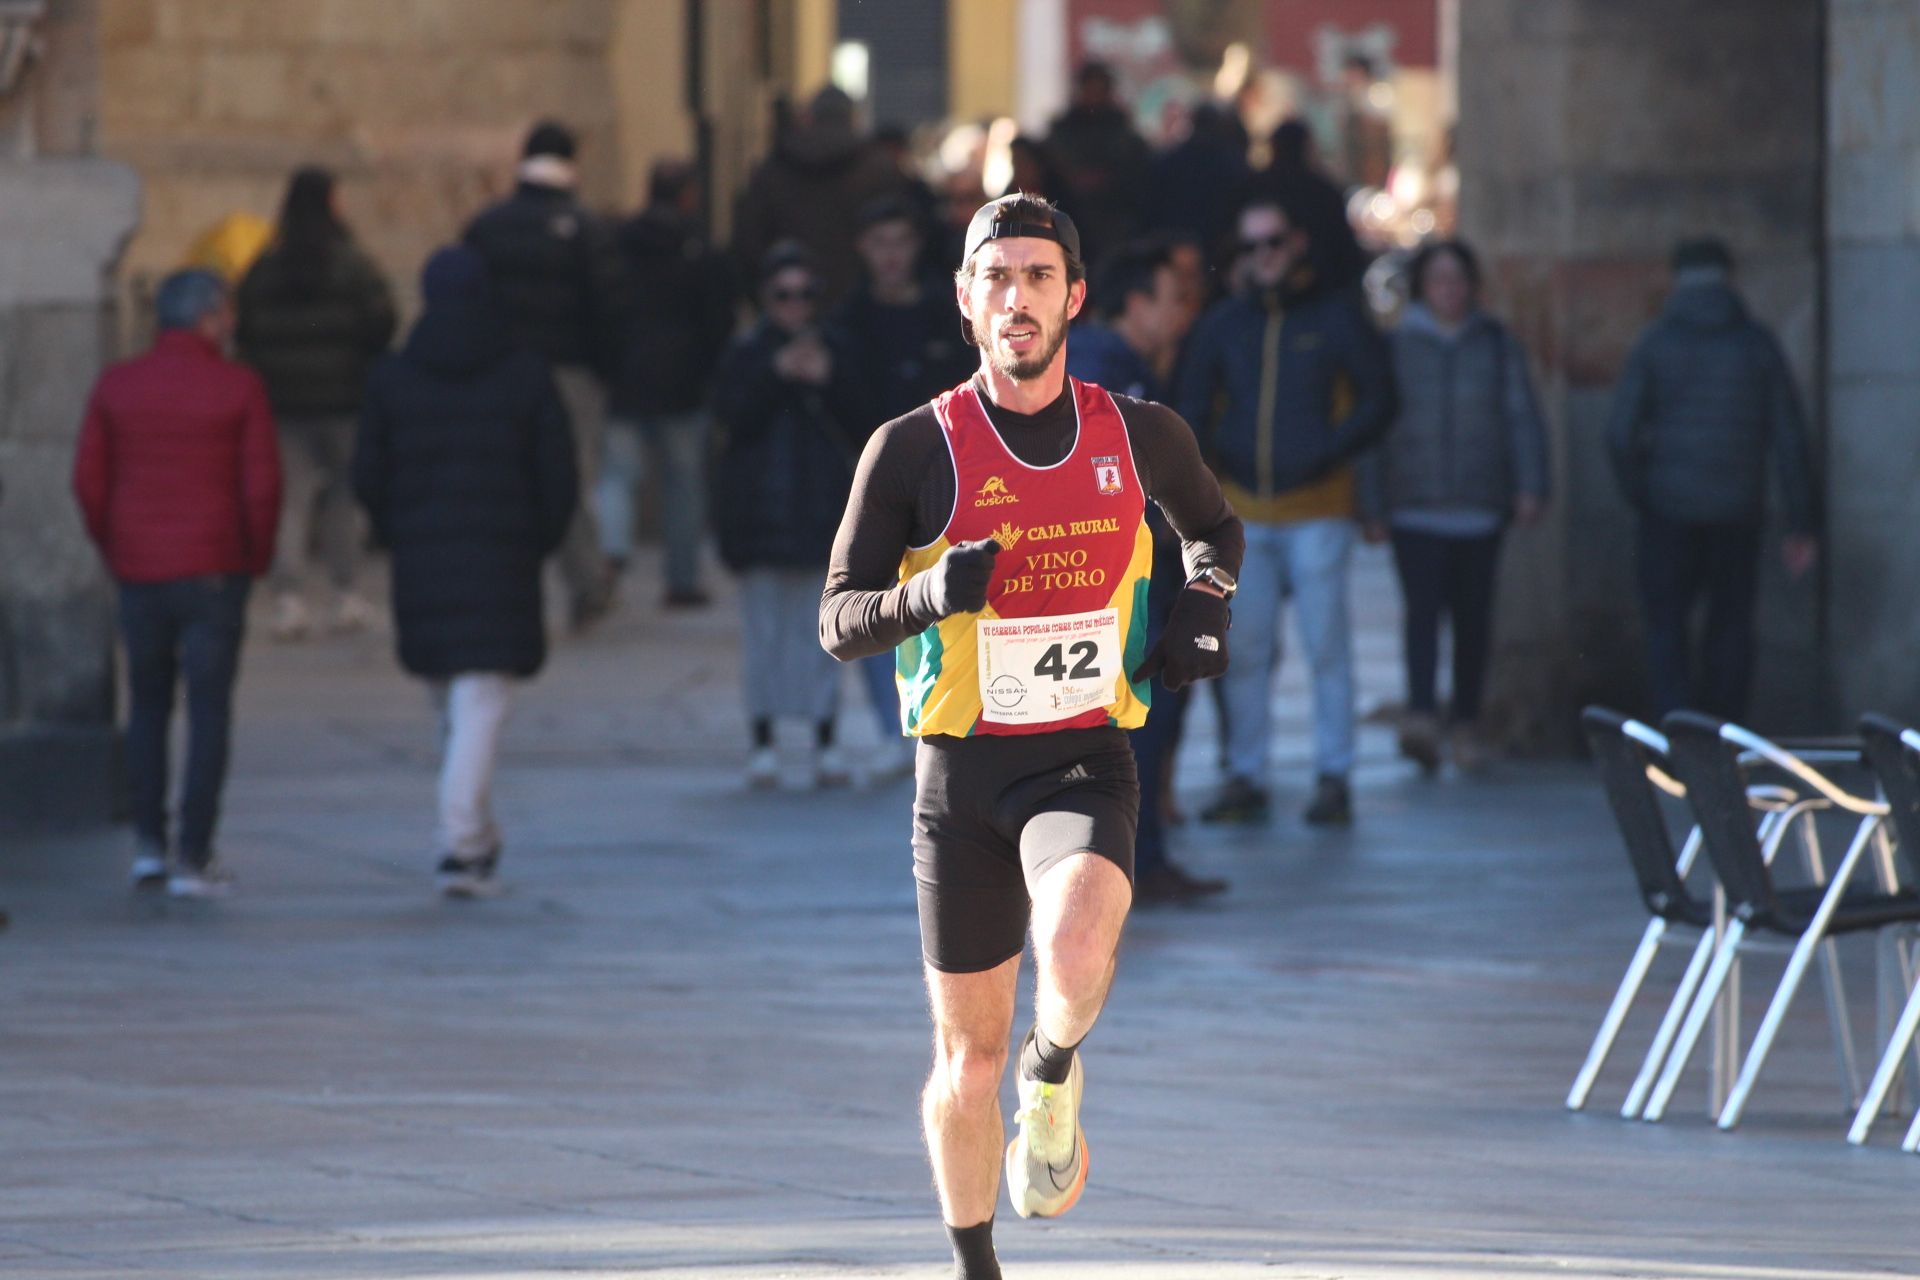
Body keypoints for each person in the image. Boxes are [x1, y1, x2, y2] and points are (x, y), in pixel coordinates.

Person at [819, 195, 1243, 1279]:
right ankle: (976, 1263)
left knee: (1076, 946)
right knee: (965, 1065)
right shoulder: (914, 448)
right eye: (995, 276)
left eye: (1039, 277)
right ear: (966, 300)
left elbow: (1217, 529)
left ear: (1074, 296)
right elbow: (837, 618)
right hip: (961, 776)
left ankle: (1053, 1074)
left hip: (1082, 752)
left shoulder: (1138, 433)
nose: (1018, 296)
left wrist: (1204, 606)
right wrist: (927, 598)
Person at [352, 247, 577, 898]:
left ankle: (474, 837)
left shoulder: (393, 376)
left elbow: (368, 473)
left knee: (454, 702)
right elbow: (556, 476)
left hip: (423, 557)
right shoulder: (525, 374)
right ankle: (461, 844)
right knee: (479, 701)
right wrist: (536, 538)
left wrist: (400, 530)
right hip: (503, 558)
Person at [1175, 192, 1396, 827]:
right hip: (1243, 513)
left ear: (1295, 244)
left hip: (1319, 506)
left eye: (1272, 243)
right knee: (1246, 651)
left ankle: (1334, 774)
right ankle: (1245, 773)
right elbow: (1191, 403)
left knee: (1327, 645)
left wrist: (1330, 451)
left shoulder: (1334, 317)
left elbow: (1380, 397)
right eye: (1248, 246)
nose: (1261, 257)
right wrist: (1212, 476)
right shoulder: (1223, 324)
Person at [72, 270, 282, 899]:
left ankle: (147, 845)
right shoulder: (237, 388)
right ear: (210, 319)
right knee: (209, 710)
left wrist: (115, 543)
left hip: (140, 571)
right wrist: (255, 557)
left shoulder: (117, 386)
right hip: (215, 570)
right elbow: (262, 488)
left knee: (148, 706)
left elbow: (88, 481)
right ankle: (195, 850)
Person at [1067, 240, 1229, 904]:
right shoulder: (1110, 374)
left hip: (1128, 580)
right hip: (1124, 587)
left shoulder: (1115, 364)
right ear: (1137, 304)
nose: (1182, 313)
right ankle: (1134, 863)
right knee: (1140, 721)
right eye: (1170, 298)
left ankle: (1122, 859)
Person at [1606, 237, 1819, 721]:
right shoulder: (1755, 343)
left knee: (1666, 626)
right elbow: (1788, 435)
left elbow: (1619, 433)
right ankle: (1722, 732)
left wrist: (1643, 492)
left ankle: (1676, 727)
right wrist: (1800, 521)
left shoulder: (1656, 342)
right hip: (1737, 508)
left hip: (1667, 511)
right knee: (1731, 627)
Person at [1360, 240, 1549, 773]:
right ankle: (1422, 715)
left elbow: (1520, 415)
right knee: (1422, 613)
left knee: (1473, 618)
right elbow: (1374, 428)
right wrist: (1371, 503)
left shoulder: (1495, 344)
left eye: (1457, 279)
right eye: (1439, 279)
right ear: (1423, 286)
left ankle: (1466, 721)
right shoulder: (1395, 347)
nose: (1449, 290)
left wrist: (1530, 483)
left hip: (1479, 502)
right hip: (1414, 502)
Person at [834, 196, 978, 778]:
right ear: (863, 251)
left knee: (945, 593)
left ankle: (946, 707)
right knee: (875, 596)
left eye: (901, 243)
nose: (891, 257)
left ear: (916, 248)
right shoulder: (845, 323)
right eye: (879, 244)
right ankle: (897, 724)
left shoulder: (949, 320)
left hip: (949, 477)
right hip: (870, 480)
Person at [463, 120, 627, 631]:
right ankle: (585, 584)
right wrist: (607, 371)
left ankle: (501, 585)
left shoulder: (488, 226)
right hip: (570, 374)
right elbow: (609, 309)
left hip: (501, 373)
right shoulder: (587, 228)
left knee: (504, 481)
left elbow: (469, 300)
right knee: (571, 481)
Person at [716, 244, 869, 789]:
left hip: (821, 515)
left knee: (820, 636)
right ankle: (762, 742)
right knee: (763, 638)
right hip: (761, 517)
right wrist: (776, 375)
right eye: (783, 296)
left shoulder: (838, 351)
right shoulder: (746, 354)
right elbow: (731, 421)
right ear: (766, 299)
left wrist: (828, 379)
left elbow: (865, 427)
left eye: (805, 296)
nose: (794, 307)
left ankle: (823, 742)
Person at [237, 166, 397, 640]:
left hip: (284, 402)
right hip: (345, 400)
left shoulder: (265, 266)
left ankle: (289, 598)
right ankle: (346, 593)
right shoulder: (352, 264)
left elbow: (246, 330)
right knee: (345, 496)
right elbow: (382, 322)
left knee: (291, 500)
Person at [603, 159, 735, 608]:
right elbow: (719, 318)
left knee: (617, 476)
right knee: (684, 484)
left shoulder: (619, 242)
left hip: (625, 375)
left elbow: (601, 306)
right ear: (687, 195)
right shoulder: (698, 247)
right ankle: (681, 579)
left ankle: (611, 554)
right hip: (684, 381)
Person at [732, 86, 910, 306]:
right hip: (860, 307)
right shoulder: (877, 169)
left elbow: (749, 239)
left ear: (810, 117)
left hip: (792, 302)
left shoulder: (775, 169)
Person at [1044, 62, 1150, 267]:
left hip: (1115, 227)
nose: (1094, 96)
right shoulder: (1063, 132)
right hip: (1067, 220)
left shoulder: (1124, 135)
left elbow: (1136, 180)